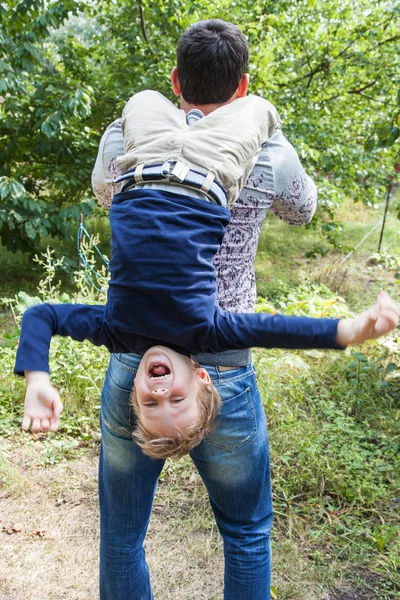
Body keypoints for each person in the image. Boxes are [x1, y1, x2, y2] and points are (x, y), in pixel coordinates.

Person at [16, 20, 399, 600]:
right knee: (245, 530)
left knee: (121, 534)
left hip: (133, 356)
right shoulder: (270, 146)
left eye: (156, 401)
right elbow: (303, 213)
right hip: (226, 361)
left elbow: (104, 192)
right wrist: (351, 329)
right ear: (243, 85)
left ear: (175, 79)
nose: (162, 393)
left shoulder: (125, 137)